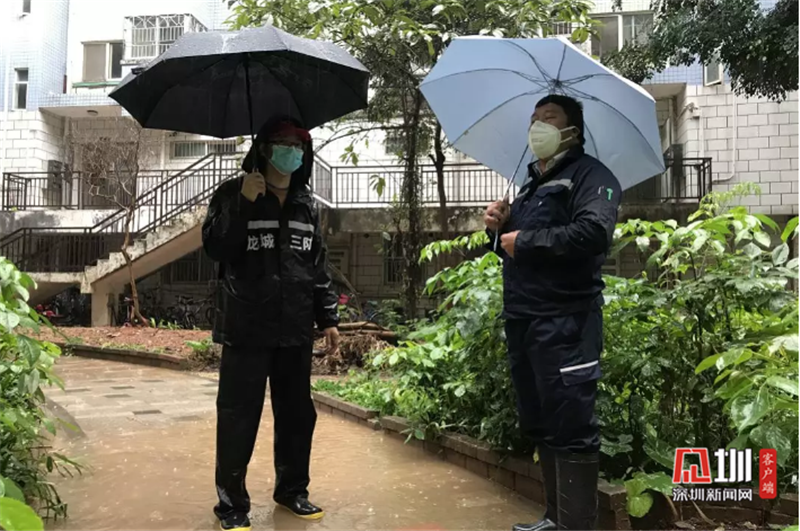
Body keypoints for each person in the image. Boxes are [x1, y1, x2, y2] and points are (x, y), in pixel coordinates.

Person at [484, 95, 621, 531]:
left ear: (572, 130)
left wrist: (523, 240)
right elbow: (513, 251)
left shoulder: (592, 177)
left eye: (549, 118)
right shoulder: (530, 187)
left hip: (567, 323)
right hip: (525, 321)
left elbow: (593, 232)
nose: (538, 126)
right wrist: (499, 228)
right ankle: (554, 519)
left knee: (572, 423)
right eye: (534, 119)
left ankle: (575, 526)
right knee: (542, 421)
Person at [202, 116, 340, 531]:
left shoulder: (306, 204)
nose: (291, 151)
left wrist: (328, 316)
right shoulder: (233, 193)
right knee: (237, 416)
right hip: (246, 325)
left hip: (294, 326)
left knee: (297, 415)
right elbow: (215, 247)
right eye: (282, 143)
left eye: (297, 145)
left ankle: (292, 490)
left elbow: (316, 265)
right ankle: (232, 505)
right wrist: (244, 203)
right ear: (263, 149)